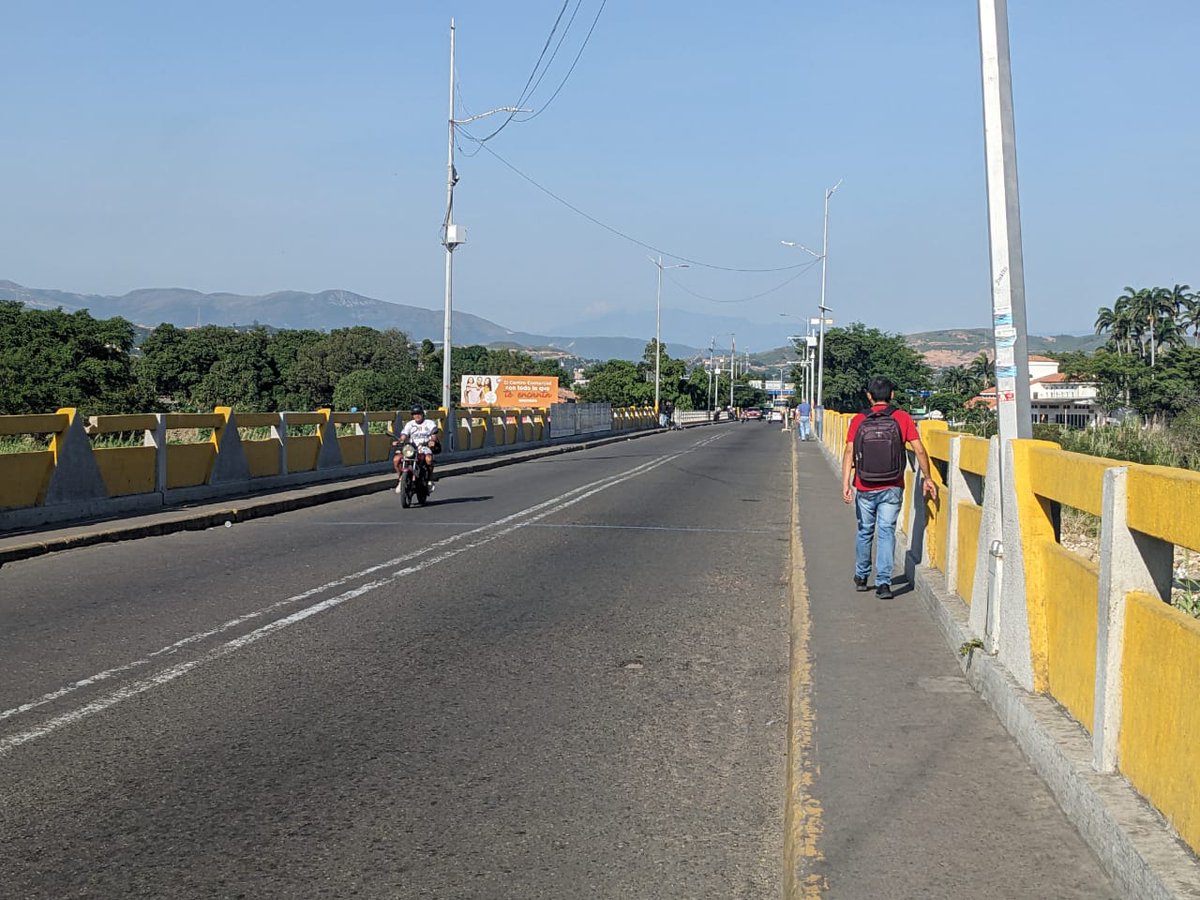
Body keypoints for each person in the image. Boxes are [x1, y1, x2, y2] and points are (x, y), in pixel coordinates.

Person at [840, 377, 937, 599]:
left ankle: (862, 576)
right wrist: (928, 477)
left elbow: (848, 452)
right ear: (892, 394)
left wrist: (846, 483)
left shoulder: (858, 420)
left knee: (865, 530)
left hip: (864, 485)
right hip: (893, 485)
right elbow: (919, 450)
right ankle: (884, 583)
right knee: (886, 532)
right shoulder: (901, 418)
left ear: (869, 395)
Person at [394, 405, 440, 493]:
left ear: (422, 414)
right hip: (411, 448)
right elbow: (404, 435)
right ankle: (400, 480)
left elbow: (433, 435)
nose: (417, 416)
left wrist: (432, 441)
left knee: (429, 459)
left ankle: (430, 479)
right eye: (414, 414)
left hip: (424, 447)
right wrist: (399, 441)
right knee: (396, 459)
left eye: (418, 413)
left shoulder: (429, 423)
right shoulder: (410, 424)